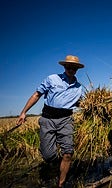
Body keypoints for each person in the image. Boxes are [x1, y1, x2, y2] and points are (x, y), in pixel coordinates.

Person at [16, 55, 84, 187]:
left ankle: (61, 183)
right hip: (48, 119)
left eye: (74, 67)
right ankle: (55, 165)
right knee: (48, 155)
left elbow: (79, 103)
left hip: (66, 120)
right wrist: (23, 112)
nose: (71, 69)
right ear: (64, 67)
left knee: (68, 152)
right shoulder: (52, 79)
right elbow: (37, 95)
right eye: (69, 66)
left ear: (77, 69)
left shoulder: (79, 87)